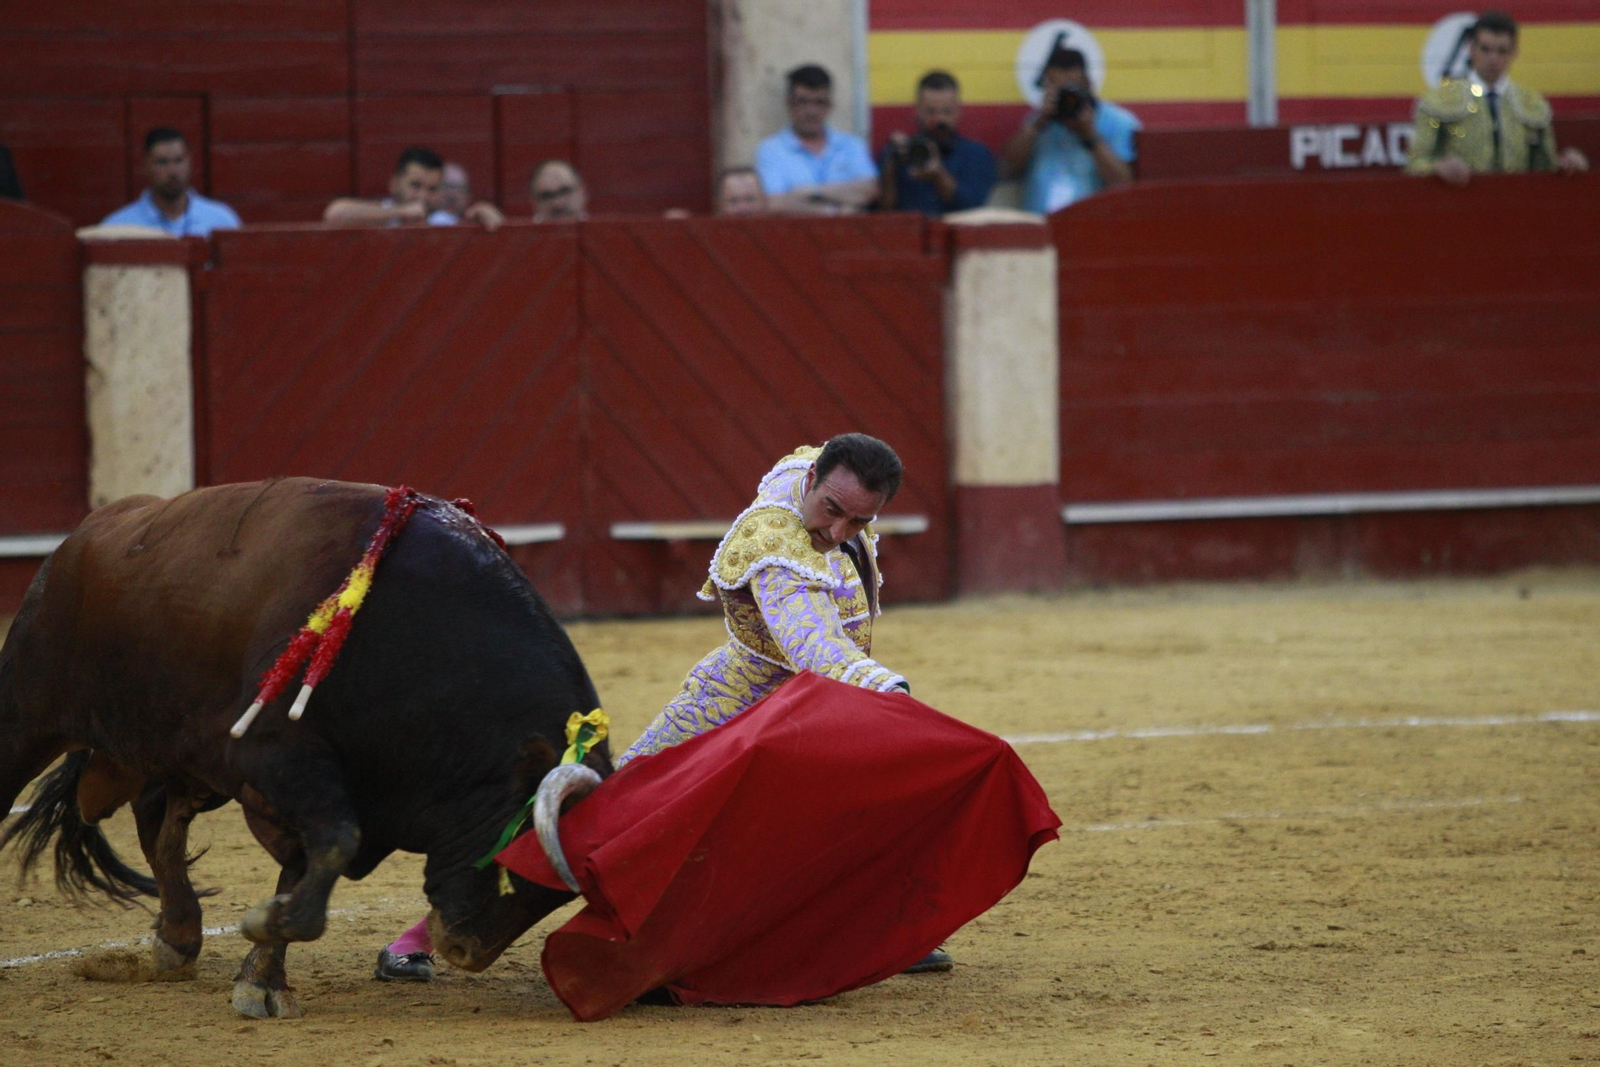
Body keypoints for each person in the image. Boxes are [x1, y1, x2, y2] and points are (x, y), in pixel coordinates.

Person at [373, 434, 951, 982]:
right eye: (831, 510)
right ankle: (424, 935)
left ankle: (884, 934)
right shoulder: (775, 546)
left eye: (859, 521)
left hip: (811, 708)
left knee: (849, 812)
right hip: (733, 705)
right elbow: (812, 645)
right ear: (812, 480)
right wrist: (884, 687)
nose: (838, 530)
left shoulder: (814, 476)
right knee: (607, 821)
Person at [1404, 10, 1589, 184]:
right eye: (1485, 49)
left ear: (1514, 52)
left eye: (1502, 51)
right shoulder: (1438, 100)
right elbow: (1414, 164)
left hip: (1517, 207)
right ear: (1471, 49)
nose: (1493, 58)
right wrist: (1437, 167)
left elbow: (1545, 169)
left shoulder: (1532, 103)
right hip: (1458, 206)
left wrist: (1567, 163)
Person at [1001, 47, 1139, 215]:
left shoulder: (1119, 122)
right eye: (1056, 88)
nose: (1065, 97)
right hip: (1041, 223)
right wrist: (1038, 124)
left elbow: (1123, 183)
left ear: (1087, 84)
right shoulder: (1036, 122)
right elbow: (1007, 168)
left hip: (1093, 223)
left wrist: (1089, 135)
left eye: (1071, 89)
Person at [754, 65, 878, 215]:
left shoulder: (851, 145)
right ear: (789, 104)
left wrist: (809, 191)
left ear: (830, 105)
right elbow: (776, 203)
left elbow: (869, 191)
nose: (811, 111)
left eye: (819, 102)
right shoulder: (771, 150)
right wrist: (834, 210)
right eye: (803, 102)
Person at [879, 71, 997, 216]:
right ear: (918, 112)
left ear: (958, 111)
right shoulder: (898, 152)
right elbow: (883, 214)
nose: (940, 119)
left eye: (947, 111)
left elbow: (973, 209)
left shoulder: (976, 154)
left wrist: (938, 176)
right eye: (931, 112)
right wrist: (891, 167)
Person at [100, 127, 241, 237]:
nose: (173, 171)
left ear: (189, 162)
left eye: (179, 160)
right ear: (146, 166)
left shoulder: (222, 221)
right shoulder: (118, 227)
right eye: (162, 162)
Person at [323, 146, 445, 227]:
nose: (423, 196)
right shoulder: (382, 214)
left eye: (432, 189)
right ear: (394, 184)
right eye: (415, 185)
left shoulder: (444, 221)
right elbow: (335, 214)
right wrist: (401, 212)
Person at [427, 162, 506, 229]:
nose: (452, 195)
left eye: (459, 189)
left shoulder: (475, 217)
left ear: (468, 195)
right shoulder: (420, 217)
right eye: (446, 186)